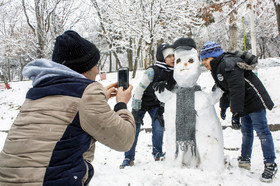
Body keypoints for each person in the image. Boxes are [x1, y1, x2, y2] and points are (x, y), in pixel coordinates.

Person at [0, 30, 136, 185]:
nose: (97, 70)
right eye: (95, 65)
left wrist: (100, 96)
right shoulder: (88, 93)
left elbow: (65, 109)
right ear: (84, 67)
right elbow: (124, 140)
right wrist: (121, 103)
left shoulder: (38, 91)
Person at [200, 41, 277, 182]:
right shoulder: (217, 68)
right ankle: (245, 158)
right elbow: (224, 88)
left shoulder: (227, 64)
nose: (204, 62)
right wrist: (223, 107)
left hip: (254, 99)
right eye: (202, 59)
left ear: (214, 56)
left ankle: (270, 163)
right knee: (246, 132)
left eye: (206, 59)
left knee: (262, 132)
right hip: (244, 103)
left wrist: (235, 112)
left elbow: (237, 89)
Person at [120, 43, 176, 168]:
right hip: (141, 103)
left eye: (174, 55)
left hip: (156, 104)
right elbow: (139, 90)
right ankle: (128, 158)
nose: (172, 58)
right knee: (134, 130)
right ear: (162, 57)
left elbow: (171, 93)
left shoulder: (174, 73)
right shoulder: (152, 71)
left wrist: (161, 108)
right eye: (169, 56)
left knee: (158, 127)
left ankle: (158, 153)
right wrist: (135, 110)